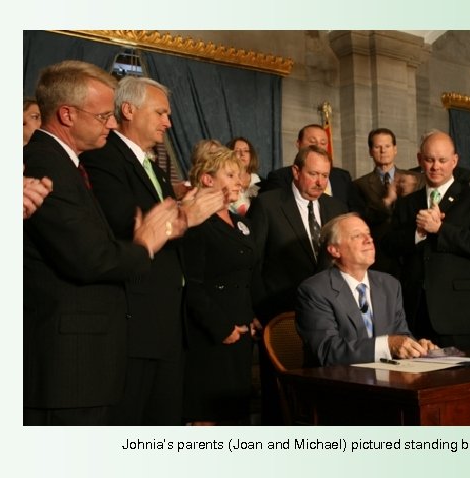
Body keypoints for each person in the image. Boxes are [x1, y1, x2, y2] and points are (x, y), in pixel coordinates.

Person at [23, 60, 183, 426]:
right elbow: (90, 257)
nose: (111, 124)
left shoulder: (68, 164)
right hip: (65, 367)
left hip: (82, 365)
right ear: (66, 114)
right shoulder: (44, 163)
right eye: (101, 116)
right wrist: (144, 244)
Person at [80, 76, 226, 425]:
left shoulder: (152, 166)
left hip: (165, 321)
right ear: (128, 109)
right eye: (161, 112)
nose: (168, 122)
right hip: (135, 320)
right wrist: (184, 216)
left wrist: (185, 210)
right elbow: (126, 222)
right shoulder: (103, 157)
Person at [247, 144, 346, 423]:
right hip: (279, 314)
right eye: (314, 174)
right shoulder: (268, 204)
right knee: (280, 399)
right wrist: (255, 309)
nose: (320, 182)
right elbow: (253, 262)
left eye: (325, 176)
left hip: (328, 319)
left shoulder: (336, 207)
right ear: (296, 171)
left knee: (320, 397)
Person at [383, 130, 470, 349]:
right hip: (415, 312)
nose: (436, 167)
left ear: (454, 161)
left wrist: (440, 229)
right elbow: (389, 245)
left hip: (458, 314)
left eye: (442, 160)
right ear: (419, 160)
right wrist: (419, 233)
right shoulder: (408, 202)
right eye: (429, 160)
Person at [183, 146, 261, 424]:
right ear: (207, 179)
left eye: (238, 175)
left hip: (241, 333)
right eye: (230, 174)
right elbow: (192, 286)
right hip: (210, 336)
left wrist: (250, 315)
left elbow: (243, 277)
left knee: (235, 418)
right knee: (210, 420)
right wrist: (221, 327)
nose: (239, 181)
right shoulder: (196, 222)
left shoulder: (240, 222)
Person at [296, 213, 436, 366]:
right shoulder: (315, 290)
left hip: (388, 380)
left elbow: (400, 335)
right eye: (357, 236)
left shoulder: (389, 284)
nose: (369, 239)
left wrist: (416, 346)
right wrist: (387, 345)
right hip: (341, 384)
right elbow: (327, 352)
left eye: (368, 234)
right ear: (335, 250)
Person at [353, 128, 419, 275]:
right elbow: (363, 219)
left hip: (412, 253)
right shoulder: (359, 185)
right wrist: (387, 200)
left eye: (388, 146)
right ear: (370, 151)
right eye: (377, 147)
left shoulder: (415, 179)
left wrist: (408, 197)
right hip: (380, 256)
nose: (383, 151)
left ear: (395, 149)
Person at [260, 123, 364, 213]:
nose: (318, 146)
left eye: (323, 143)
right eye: (312, 142)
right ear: (298, 144)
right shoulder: (279, 177)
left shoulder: (343, 176)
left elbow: (356, 211)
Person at [226, 136, 262, 216]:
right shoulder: (225, 182)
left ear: (251, 155)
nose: (242, 154)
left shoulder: (261, 183)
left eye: (246, 151)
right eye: (237, 151)